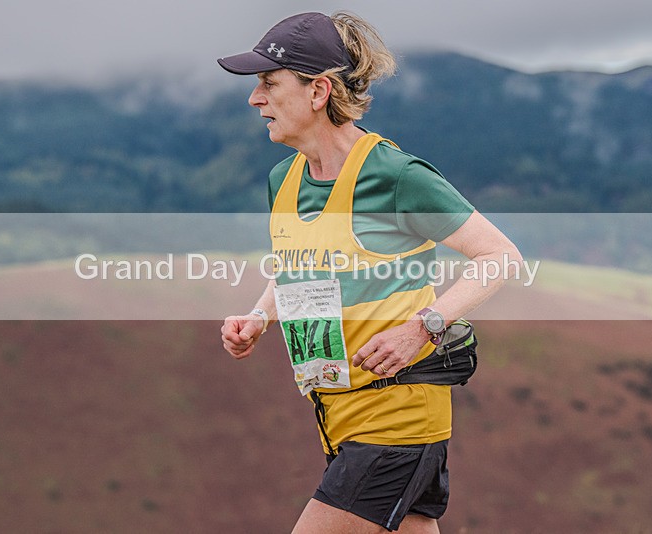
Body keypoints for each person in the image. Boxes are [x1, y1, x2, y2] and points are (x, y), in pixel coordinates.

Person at [218, 11, 522, 534]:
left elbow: (499, 256)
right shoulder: (283, 179)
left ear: (318, 91)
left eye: (269, 83)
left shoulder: (395, 177)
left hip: (398, 415)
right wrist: (260, 317)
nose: (255, 98)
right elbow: (297, 268)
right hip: (336, 416)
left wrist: (422, 327)